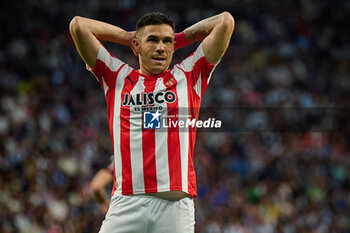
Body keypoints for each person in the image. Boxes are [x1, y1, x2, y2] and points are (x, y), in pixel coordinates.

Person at [69, 11, 234, 233]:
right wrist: (127, 37)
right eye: (153, 40)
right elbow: (79, 26)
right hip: (127, 202)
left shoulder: (189, 75)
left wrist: (180, 39)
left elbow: (225, 21)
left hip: (175, 206)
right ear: (137, 46)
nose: (161, 47)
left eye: (167, 41)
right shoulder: (117, 77)